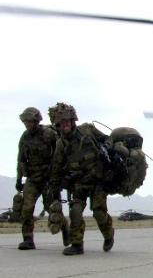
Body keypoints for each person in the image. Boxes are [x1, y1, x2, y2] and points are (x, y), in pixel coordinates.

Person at [49, 103, 114, 255]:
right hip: (79, 183)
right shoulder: (61, 144)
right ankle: (77, 244)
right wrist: (54, 190)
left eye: (67, 122)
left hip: (98, 180)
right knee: (75, 212)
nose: (64, 125)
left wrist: (107, 148)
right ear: (57, 125)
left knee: (98, 213)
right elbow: (56, 169)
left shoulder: (87, 130)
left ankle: (108, 234)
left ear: (72, 121)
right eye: (60, 123)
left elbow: (108, 139)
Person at [16, 107, 70, 250]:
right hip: (33, 179)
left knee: (51, 210)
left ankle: (65, 227)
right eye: (25, 121)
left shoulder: (49, 134)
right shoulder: (25, 137)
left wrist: (58, 179)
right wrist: (18, 179)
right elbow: (21, 160)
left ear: (36, 120)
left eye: (29, 121)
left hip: (48, 179)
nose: (27, 124)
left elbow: (60, 156)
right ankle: (28, 239)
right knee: (26, 209)